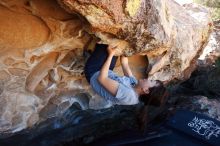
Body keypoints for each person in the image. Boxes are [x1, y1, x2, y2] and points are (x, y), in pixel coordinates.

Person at [84, 43, 168, 106]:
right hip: (106, 71)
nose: (148, 79)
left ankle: (92, 54)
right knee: (115, 46)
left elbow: (102, 79)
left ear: (146, 90)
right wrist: (126, 50)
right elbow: (125, 64)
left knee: (105, 45)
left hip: (94, 72)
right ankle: (96, 55)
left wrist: (110, 55)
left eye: (151, 81)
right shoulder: (136, 86)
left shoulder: (128, 96)